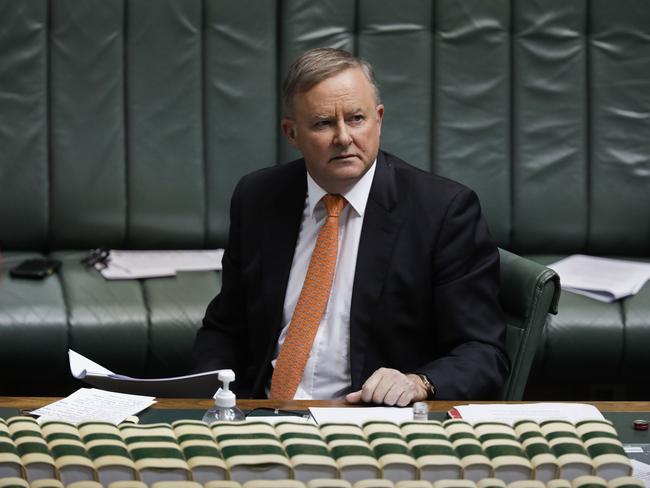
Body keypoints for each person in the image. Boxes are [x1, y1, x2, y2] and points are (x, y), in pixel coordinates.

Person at [191, 47, 509, 405]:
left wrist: (419, 382)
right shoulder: (258, 198)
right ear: (291, 133)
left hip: (370, 425)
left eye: (356, 118)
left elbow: (483, 351)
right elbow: (224, 329)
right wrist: (211, 401)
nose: (343, 137)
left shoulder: (442, 211)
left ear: (379, 119)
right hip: (263, 416)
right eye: (323, 123)